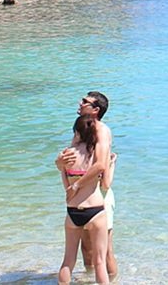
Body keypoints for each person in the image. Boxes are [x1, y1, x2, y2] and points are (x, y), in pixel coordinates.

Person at [56, 92, 115, 280]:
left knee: (80, 258)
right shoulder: (85, 144)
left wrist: (74, 185)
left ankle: (111, 278)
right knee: (95, 256)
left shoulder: (102, 131)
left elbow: (99, 165)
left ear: (96, 110)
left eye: (85, 101)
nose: (80, 103)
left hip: (82, 203)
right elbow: (102, 172)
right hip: (95, 203)